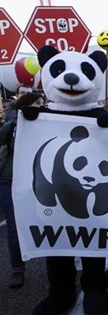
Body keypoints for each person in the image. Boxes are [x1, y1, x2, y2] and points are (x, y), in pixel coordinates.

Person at [0, 93, 44, 289]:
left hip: (39, 183)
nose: (41, 107)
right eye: (37, 103)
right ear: (24, 107)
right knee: (14, 228)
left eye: (43, 104)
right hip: (10, 181)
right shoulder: (11, 127)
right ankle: (17, 269)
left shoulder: (48, 126)